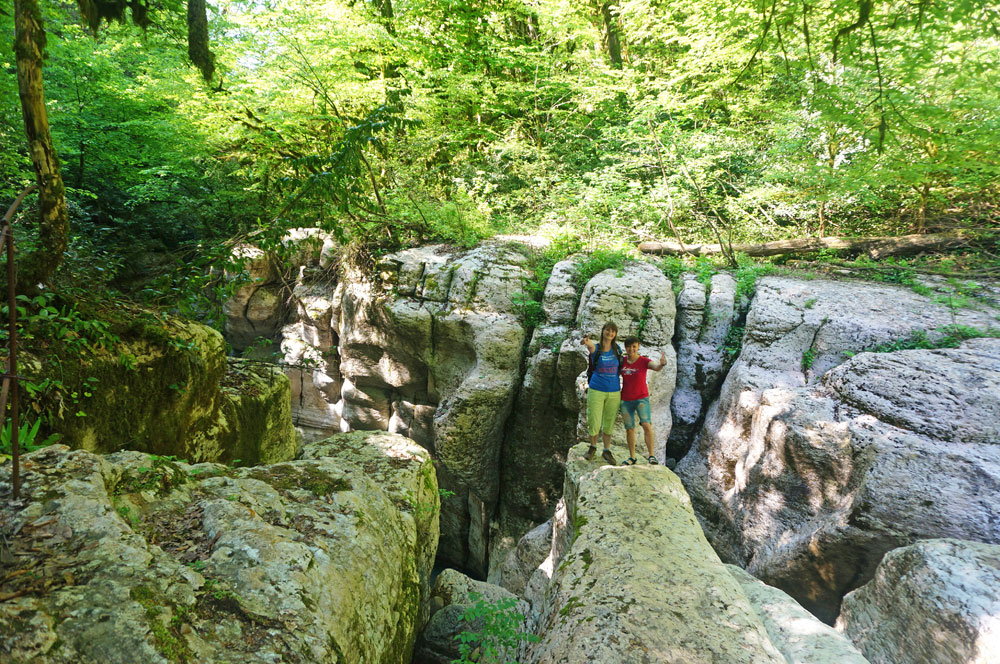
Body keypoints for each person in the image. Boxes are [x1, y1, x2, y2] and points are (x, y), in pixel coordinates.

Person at [618, 336, 668, 465]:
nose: (631, 349)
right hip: (626, 399)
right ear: (625, 348)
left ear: (638, 347)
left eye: (634, 346)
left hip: (641, 398)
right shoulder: (622, 361)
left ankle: (652, 456)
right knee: (629, 428)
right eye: (629, 346)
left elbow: (656, 367)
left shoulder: (643, 361)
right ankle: (632, 457)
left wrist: (661, 364)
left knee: (646, 425)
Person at [580, 322, 622, 465]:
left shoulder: (617, 349)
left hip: (614, 391)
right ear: (603, 331)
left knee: (609, 422)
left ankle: (606, 450)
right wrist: (586, 341)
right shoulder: (596, 349)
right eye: (608, 330)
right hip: (597, 389)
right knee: (594, 420)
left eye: (613, 331)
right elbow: (590, 345)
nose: (610, 333)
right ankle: (592, 447)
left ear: (615, 334)